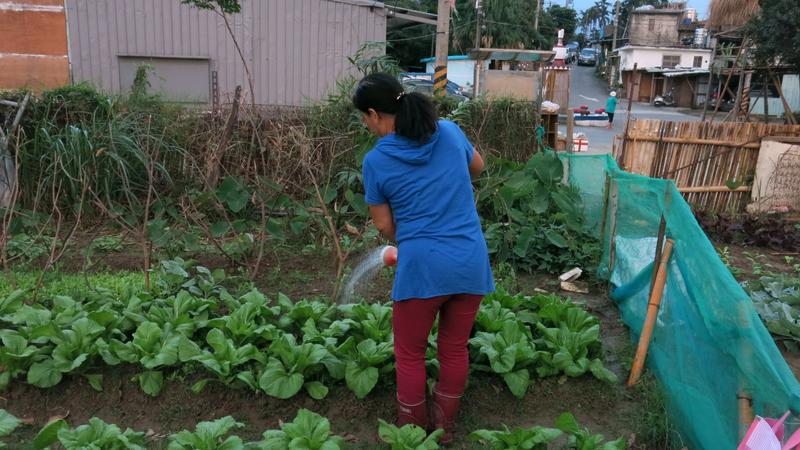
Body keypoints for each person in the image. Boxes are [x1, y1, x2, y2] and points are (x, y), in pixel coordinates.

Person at [353, 73, 494, 444]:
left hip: (423, 270)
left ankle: (413, 430)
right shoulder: (448, 131)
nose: (366, 125)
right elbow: (477, 168)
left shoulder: (377, 161)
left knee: (411, 355)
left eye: (364, 118)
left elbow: (384, 224)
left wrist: (416, 242)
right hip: (469, 261)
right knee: (453, 348)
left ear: (374, 113)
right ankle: (444, 429)